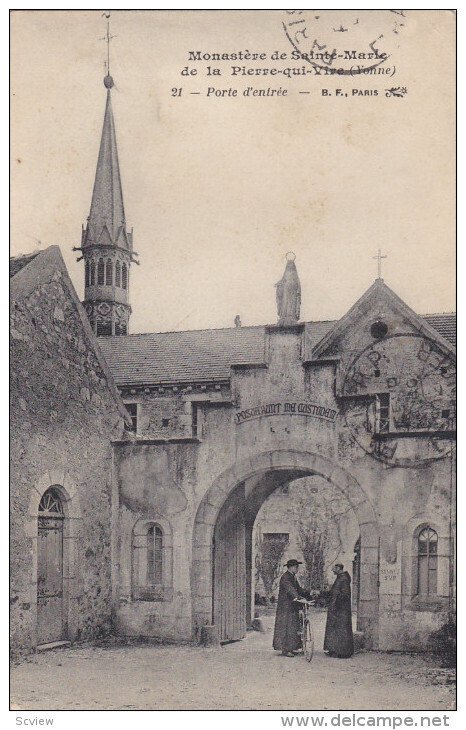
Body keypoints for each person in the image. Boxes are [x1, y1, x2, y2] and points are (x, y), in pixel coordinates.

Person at [273, 559, 310, 657]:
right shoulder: (285, 577)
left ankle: (292, 648)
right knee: (286, 628)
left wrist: (308, 594)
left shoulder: (293, 577)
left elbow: (298, 589)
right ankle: (285, 650)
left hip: (292, 606)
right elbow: (290, 590)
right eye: (296, 567)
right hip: (285, 608)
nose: (297, 569)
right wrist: (297, 597)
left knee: (293, 627)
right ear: (291, 567)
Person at [324, 563, 354, 658]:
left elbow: (345, 595)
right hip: (338, 609)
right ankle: (335, 650)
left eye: (334, 569)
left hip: (341, 610)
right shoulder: (340, 578)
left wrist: (335, 599)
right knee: (336, 631)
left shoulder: (343, 579)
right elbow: (334, 592)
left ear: (338, 568)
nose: (333, 570)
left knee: (341, 631)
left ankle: (342, 653)